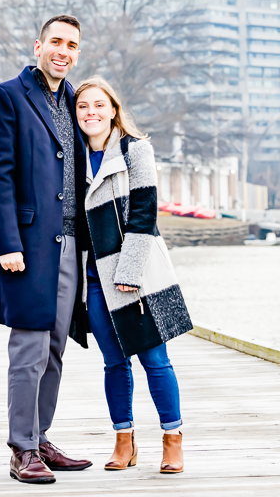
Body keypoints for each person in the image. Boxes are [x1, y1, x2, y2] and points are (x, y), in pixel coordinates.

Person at [0, 15, 93, 485]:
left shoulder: (76, 101)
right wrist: (7, 244)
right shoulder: (6, 97)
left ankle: (41, 438)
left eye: (72, 45)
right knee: (30, 348)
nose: (63, 50)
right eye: (56, 42)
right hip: (26, 247)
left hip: (70, 246)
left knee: (57, 347)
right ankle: (22, 448)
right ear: (38, 45)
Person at [73, 75, 194, 474]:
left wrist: (130, 271)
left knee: (155, 359)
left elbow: (145, 212)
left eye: (98, 105)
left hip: (135, 273)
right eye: (82, 106)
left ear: (113, 110)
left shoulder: (135, 150)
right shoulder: (71, 157)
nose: (91, 113)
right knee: (113, 363)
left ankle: (172, 440)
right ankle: (123, 440)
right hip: (94, 278)